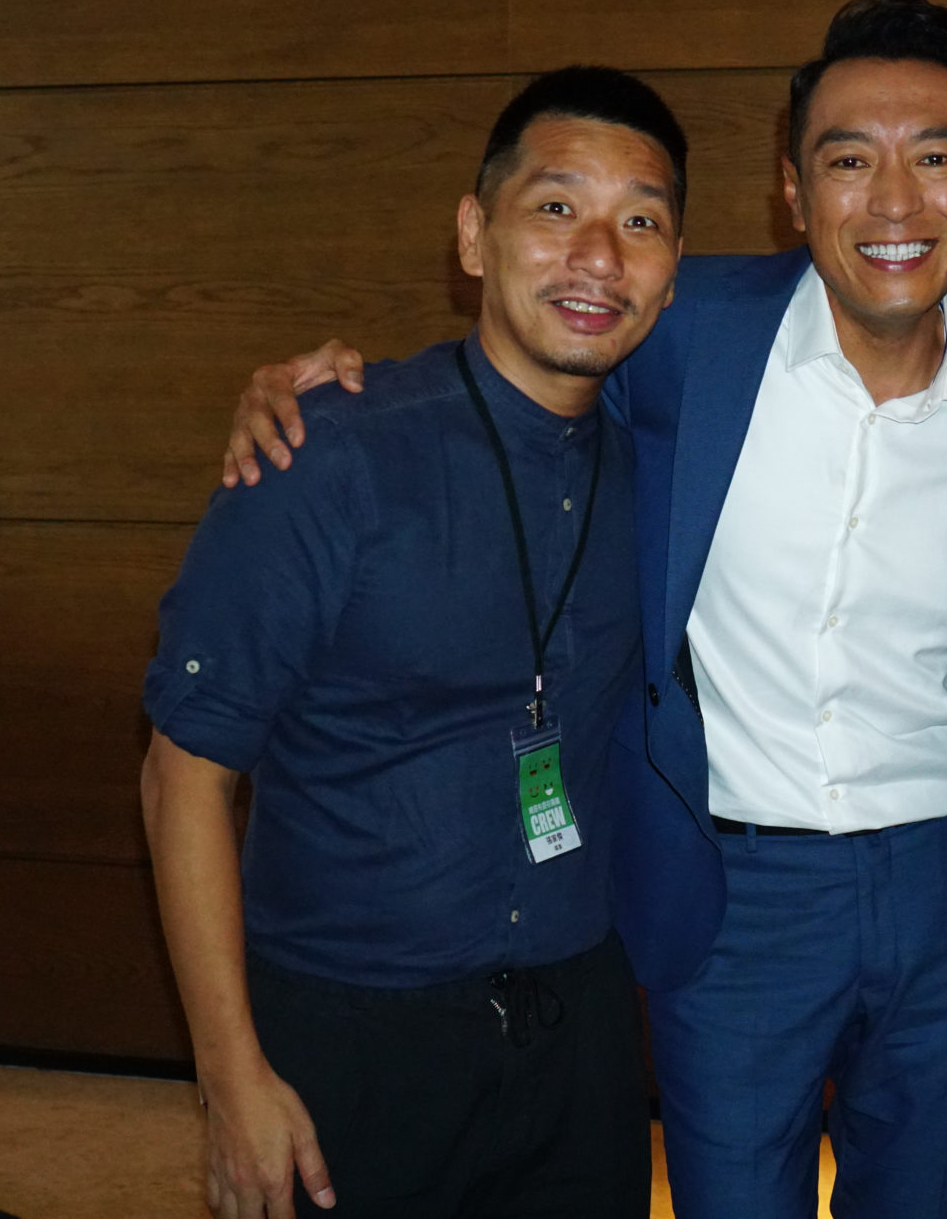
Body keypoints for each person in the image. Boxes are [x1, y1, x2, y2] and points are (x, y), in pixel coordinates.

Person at [216, 0, 947, 1219]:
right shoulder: (685, 332)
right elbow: (529, 366)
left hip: (943, 893)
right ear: (793, 189)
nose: (895, 201)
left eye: (935, 157)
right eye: (850, 160)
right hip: (730, 891)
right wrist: (319, 391)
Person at [139, 66, 687, 1219]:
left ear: (673, 268)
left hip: (580, 1030)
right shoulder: (329, 456)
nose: (598, 255)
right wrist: (230, 1074)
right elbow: (181, 775)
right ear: (473, 235)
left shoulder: (666, 465)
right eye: (556, 207)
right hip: (349, 1032)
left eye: (640, 222)